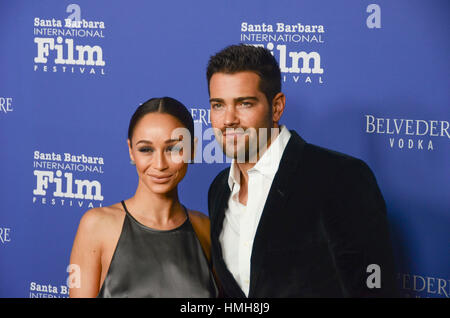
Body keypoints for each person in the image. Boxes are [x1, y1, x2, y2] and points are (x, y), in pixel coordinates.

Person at [206, 44, 397, 297]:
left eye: (244, 103)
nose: (228, 119)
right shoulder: (219, 189)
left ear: (276, 107)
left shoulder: (341, 178)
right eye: (218, 105)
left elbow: (375, 290)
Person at [69, 97, 218, 298]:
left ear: (192, 149)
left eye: (173, 148)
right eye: (146, 149)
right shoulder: (96, 225)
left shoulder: (206, 229)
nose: (159, 164)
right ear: (131, 151)